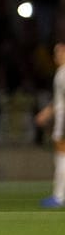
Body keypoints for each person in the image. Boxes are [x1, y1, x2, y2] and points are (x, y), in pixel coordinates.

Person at [35, 41, 65, 208]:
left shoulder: (63, 73)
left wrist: (49, 112)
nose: (57, 56)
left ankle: (59, 197)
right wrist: (47, 112)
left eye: (61, 52)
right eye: (56, 53)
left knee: (61, 158)